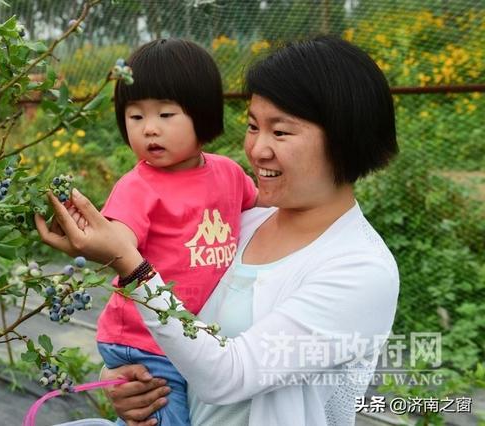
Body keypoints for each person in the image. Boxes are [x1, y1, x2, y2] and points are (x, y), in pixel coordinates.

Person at [36, 35, 399, 426]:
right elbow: (181, 328)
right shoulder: (240, 221)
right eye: (252, 126)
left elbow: (230, 375)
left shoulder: (360, 270)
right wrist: (128, 379)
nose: (257, 149)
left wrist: (130, 265)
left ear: (346, 138)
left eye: (280, 132)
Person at [77, 38, 258, 426]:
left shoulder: (228, 173)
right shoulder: (138, 186)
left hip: (190, 338)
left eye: (165, 114)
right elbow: (118, 238)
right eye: (136, 116)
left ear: (203, 115)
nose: (150, 129)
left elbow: (264, 209)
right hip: (146, 341)